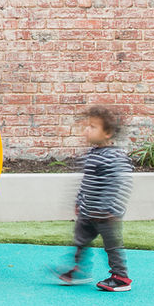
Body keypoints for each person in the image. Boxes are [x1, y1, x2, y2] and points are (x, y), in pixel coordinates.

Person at [56, 106, 134, 292]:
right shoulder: (92, 153)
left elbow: (119, 184)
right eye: (87, 126)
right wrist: (79, 201)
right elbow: (86, 181)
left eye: (92, 127)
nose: (87, 130)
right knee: (80, 240)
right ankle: (79, 270)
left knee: (112, 246)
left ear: (107, 133)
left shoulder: (115, 157)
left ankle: (121, 277)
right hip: (88, 212)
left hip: (106, 214)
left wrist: (108, 208)